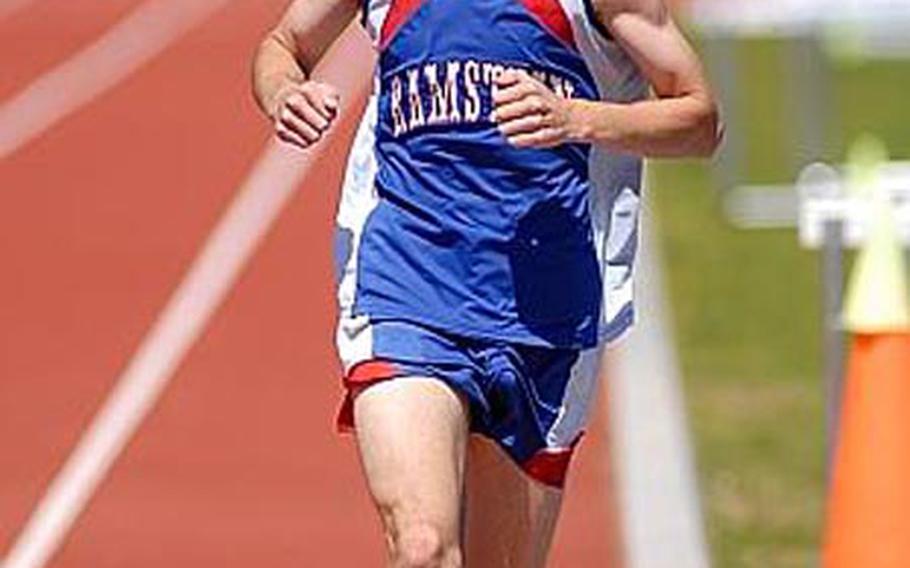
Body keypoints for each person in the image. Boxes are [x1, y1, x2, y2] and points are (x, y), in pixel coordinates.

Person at [252, 0, 720, 565]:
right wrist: (282, 91)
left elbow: (699, 120)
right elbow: (284, 45)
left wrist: (579, 119)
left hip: (547, 305)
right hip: (405, 280)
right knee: (422, 545)